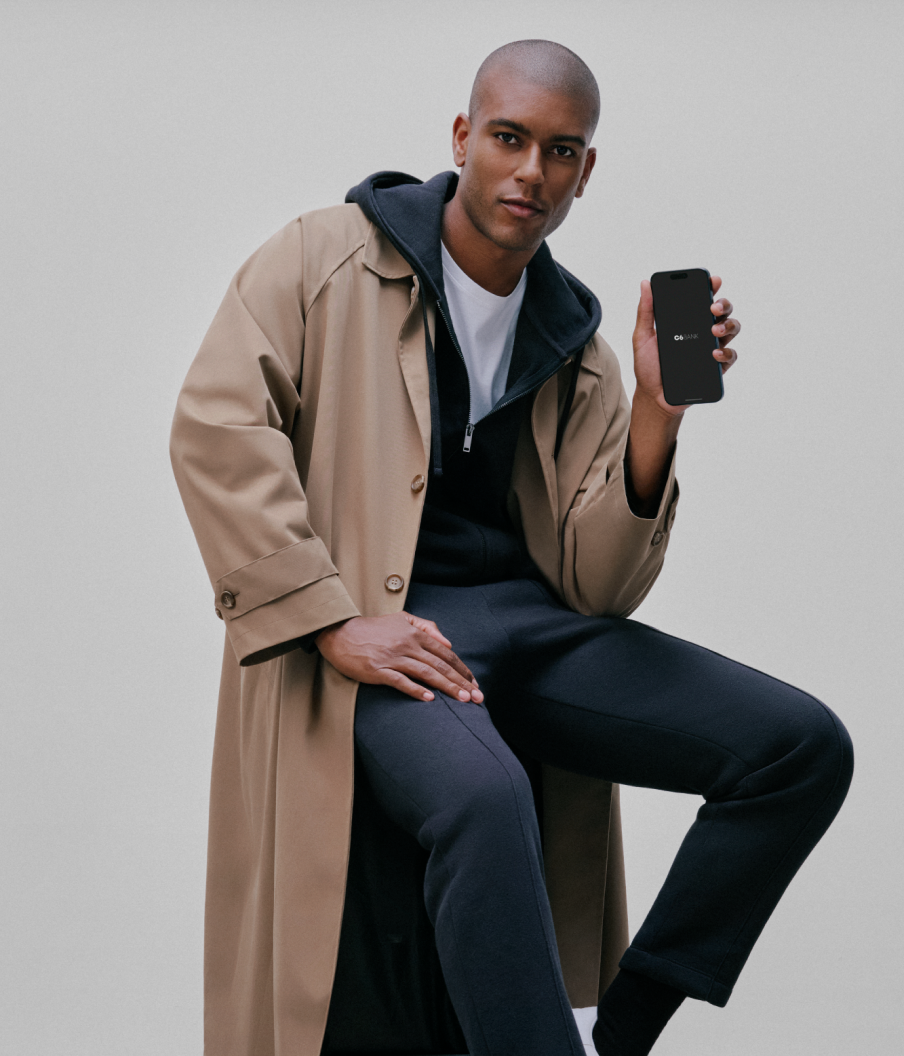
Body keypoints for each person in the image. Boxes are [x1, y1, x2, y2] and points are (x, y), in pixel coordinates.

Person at [170, 39, 853, 1056]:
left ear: (585, 170)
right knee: (483, 799)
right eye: (510, 138)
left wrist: (657, 421)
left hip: (531, 629)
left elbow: (596, 578)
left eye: (562, 150)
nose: (532, 171)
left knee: (800, 747)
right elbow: (218, 428)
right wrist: (331, 618)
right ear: (463, 138)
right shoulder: (322, 256)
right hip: (384, 625)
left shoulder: (579, 341)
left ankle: (618, 1030)